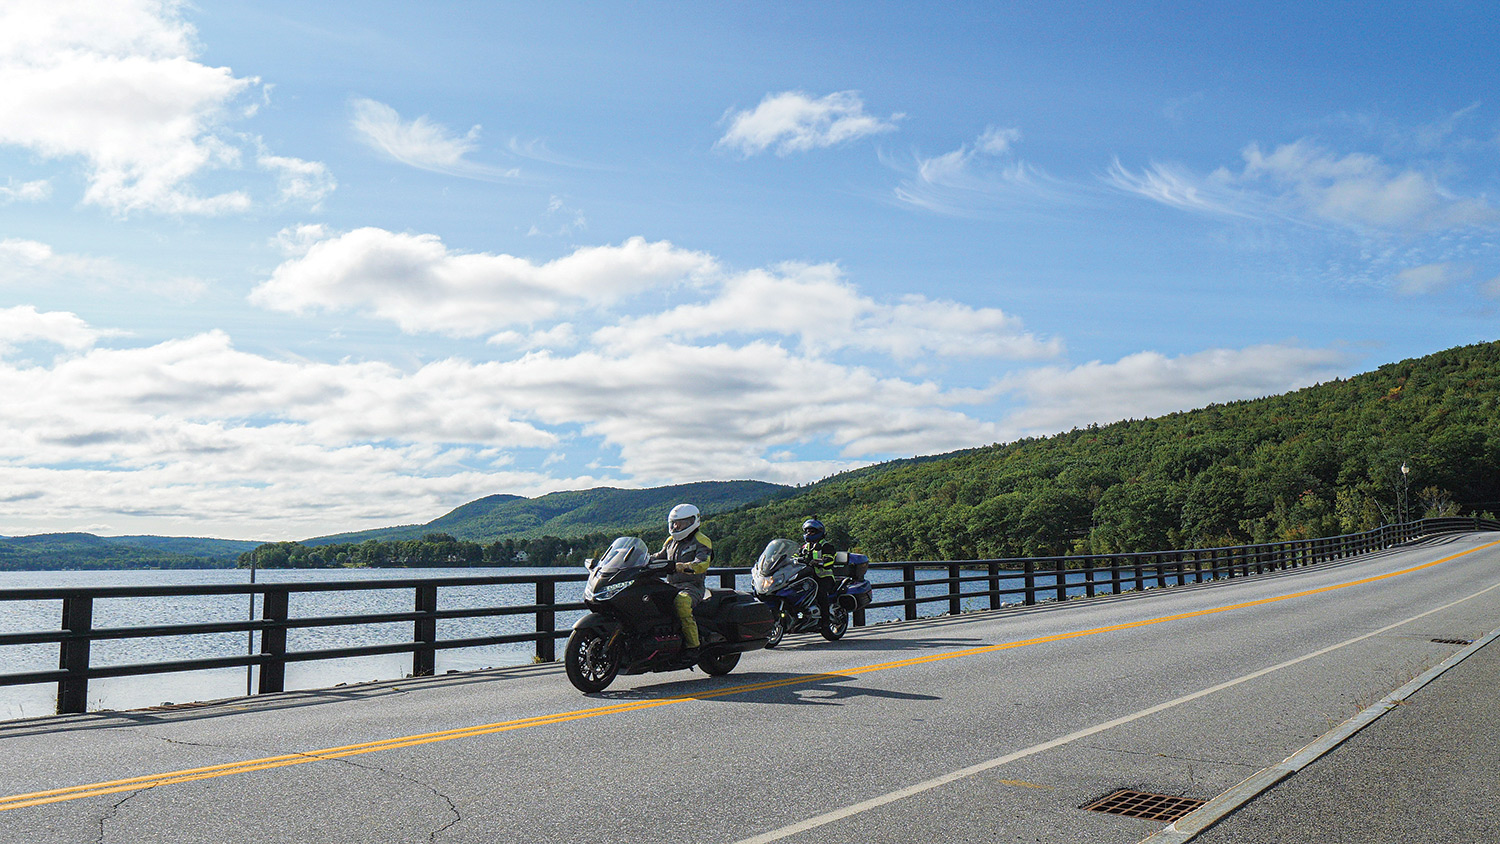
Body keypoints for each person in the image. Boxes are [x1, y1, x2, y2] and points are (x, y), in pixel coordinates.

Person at [653, 503, 713, 655]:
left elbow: (703, 562)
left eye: (681, 523)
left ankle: (693, 646)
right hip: (671, 585)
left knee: (682, 602)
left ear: (693, 522)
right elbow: (658, 557)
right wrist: (641, 560)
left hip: (692, 586)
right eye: (674, 523)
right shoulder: (670, 541)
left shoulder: (701, 540)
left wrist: (685, 566)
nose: (676, 526)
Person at [799, 517, 838, 620]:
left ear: (819, 532)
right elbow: (794, 557)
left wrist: (820, 562)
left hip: (824, 578)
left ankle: (825, 621)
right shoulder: (804, 548)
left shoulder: (826, 546)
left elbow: (830, 559)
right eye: (807, 531)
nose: (809, 534)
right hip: (808, 578)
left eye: (812, 532)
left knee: (820, 594)